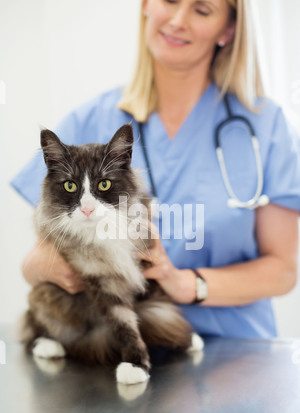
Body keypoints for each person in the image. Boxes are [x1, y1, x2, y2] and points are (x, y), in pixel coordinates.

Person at [11, 0, 300, 339]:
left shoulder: (265, 124)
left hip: (236, 351)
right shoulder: (89, 119)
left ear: (228, 30)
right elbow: (43, 253)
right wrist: (39, 268)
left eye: (202, 10)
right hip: (114, 346)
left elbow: (282, 271)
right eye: (170, 1)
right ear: (147, 5)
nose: (178, 20)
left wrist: (184, 283)